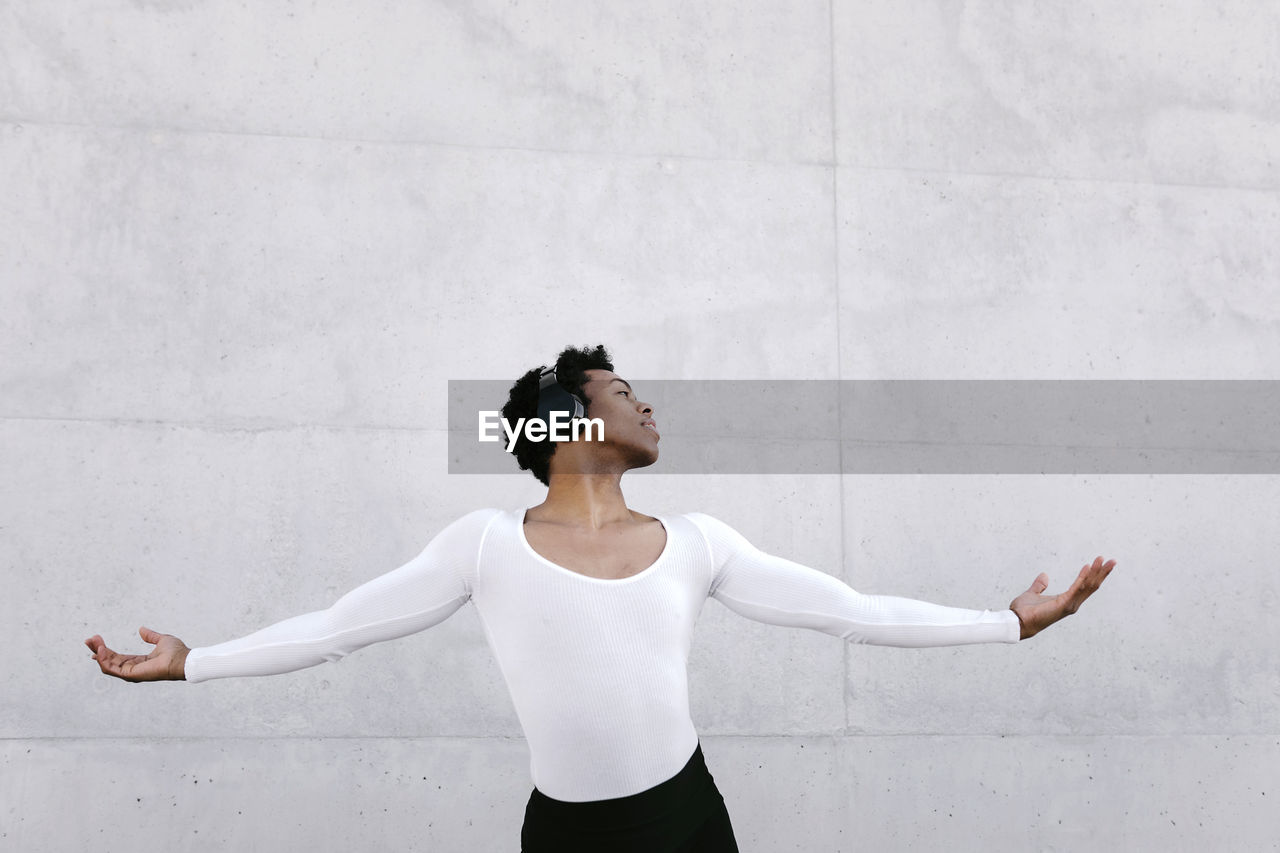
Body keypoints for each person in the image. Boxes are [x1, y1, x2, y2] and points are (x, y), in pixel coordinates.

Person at [86, 343, 1116, 852]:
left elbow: (847, 607)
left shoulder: (696, 542)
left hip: (682, 818)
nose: (646, 401)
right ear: (570, 426)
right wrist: (194, 661)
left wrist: (1001, 622)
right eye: (622, 392)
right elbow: (337, 628)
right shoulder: (483, 546)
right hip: (565, 835)